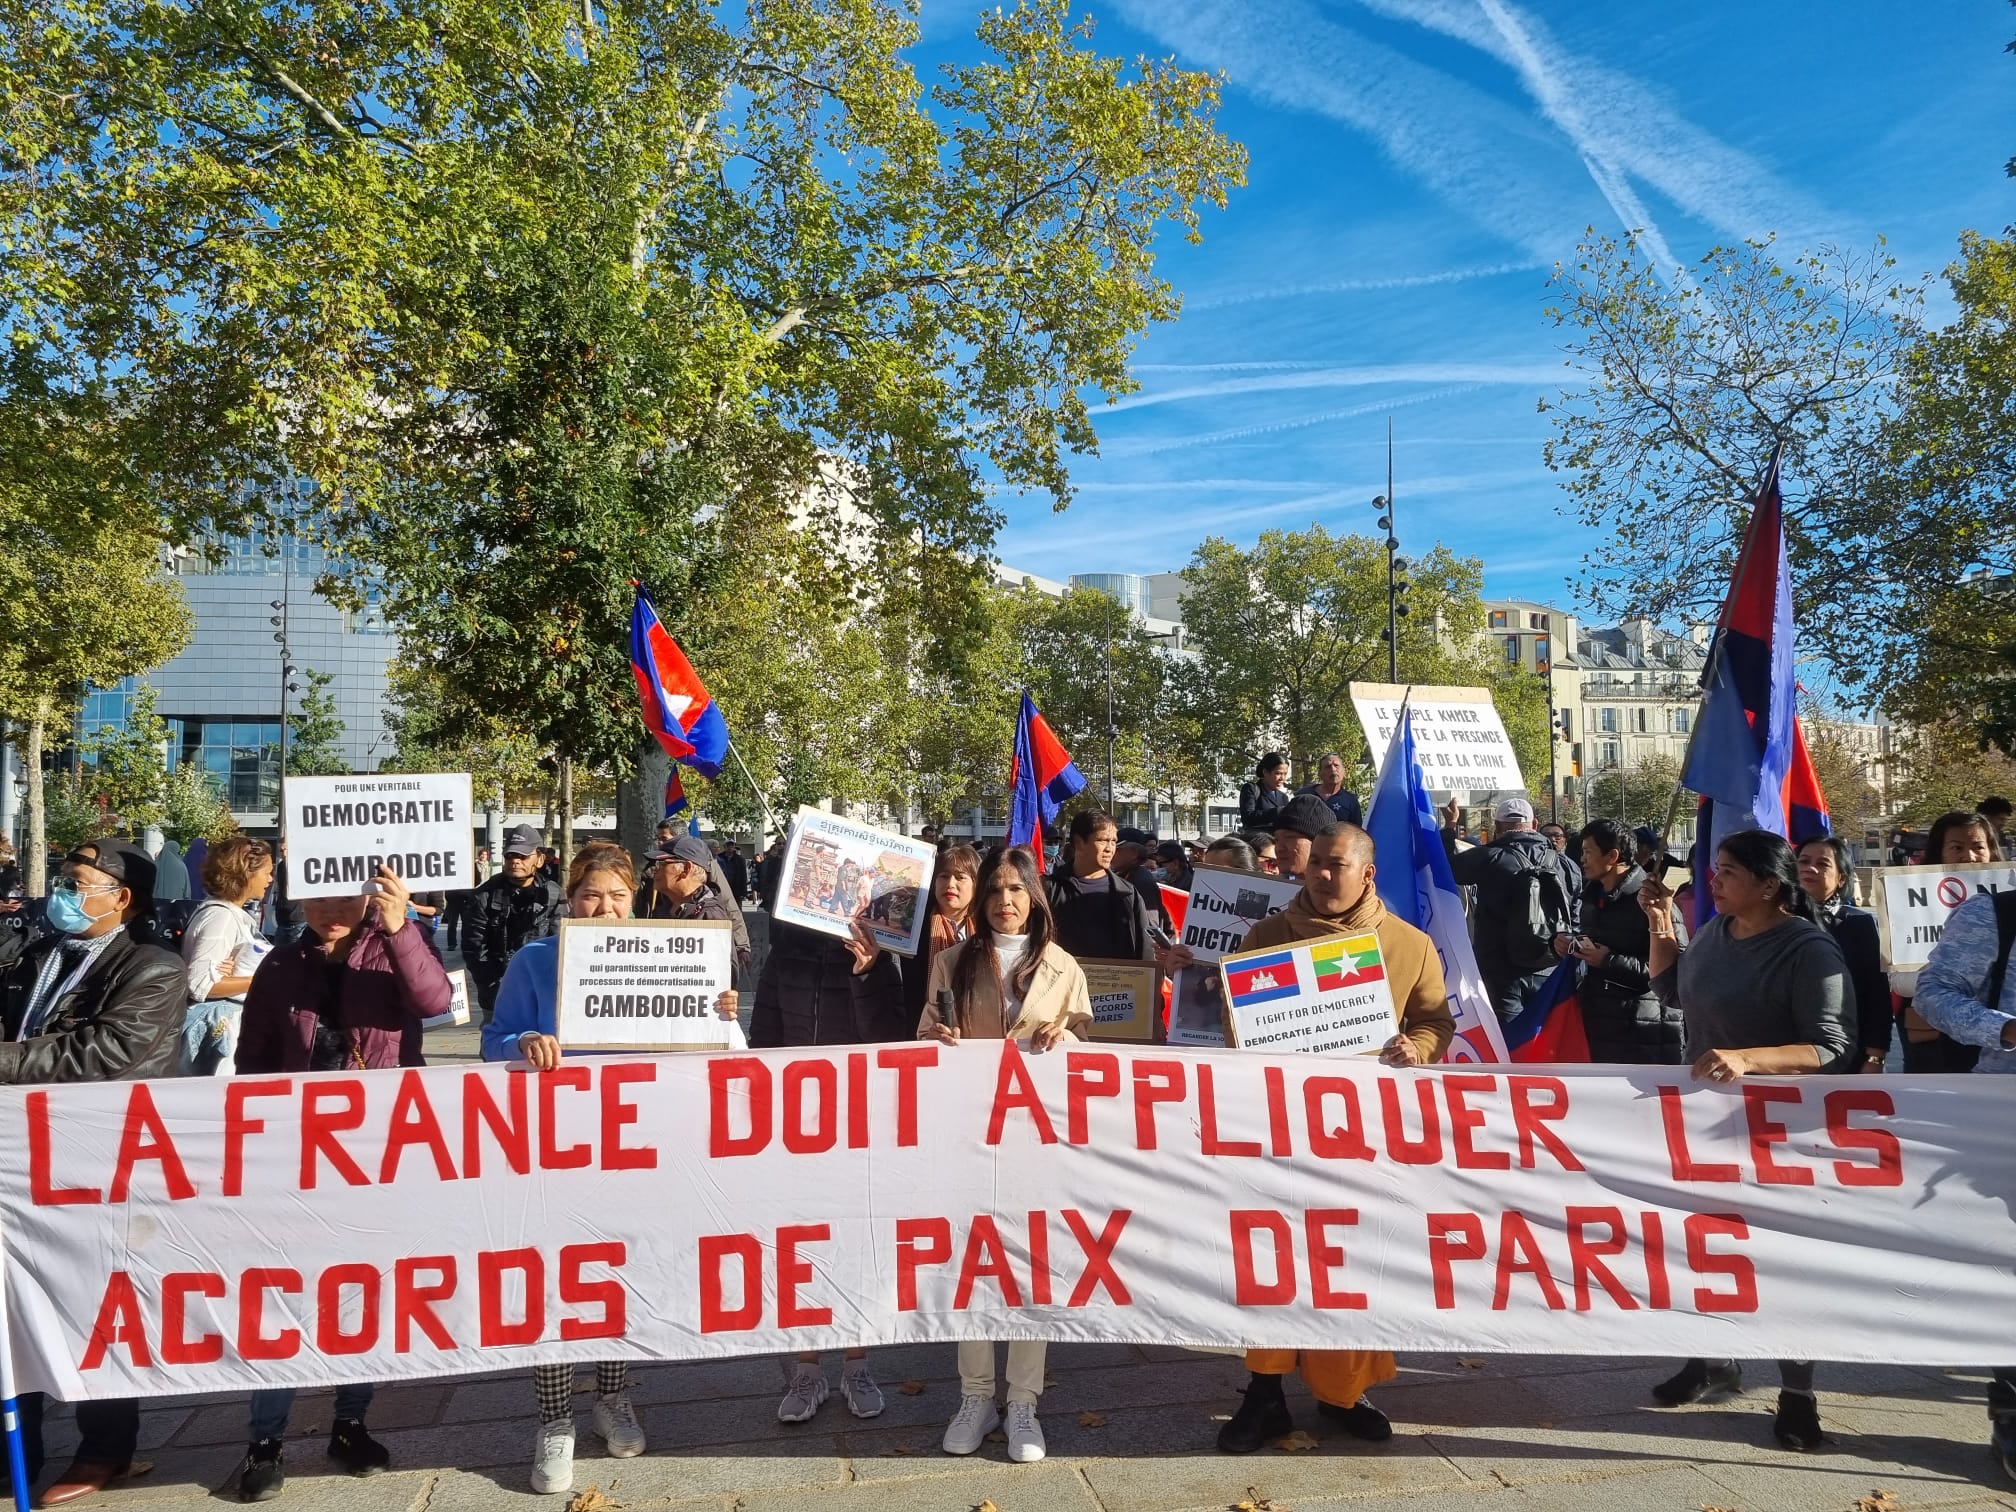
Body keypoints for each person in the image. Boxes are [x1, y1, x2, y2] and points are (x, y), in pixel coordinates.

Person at [483, 843, 738, 1493]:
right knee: (555, 1282)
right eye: (592, 895)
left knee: (618, 1274)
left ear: (637, 901)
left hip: (632, 1151)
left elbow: (705, 1052)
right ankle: (555, 1420)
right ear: (570, 900)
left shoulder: (663, 957)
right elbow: (493, 1039)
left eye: (618, 896)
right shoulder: (534, 962)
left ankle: (614, 1395)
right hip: (556, 1149)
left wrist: (721, 1017)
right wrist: (524, 1043)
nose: (605, 908)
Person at [1216, 823, 1454, 1454]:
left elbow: (1435, 1022)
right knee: (1276, 1261)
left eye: (1336, 865)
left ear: (1366, 874)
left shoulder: (1409, 946)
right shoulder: (1264, 939)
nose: (1321, 875)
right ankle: (1263, 1393)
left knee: (1348, 1262)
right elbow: (1235, 1029)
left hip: (1363, 1138)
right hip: (1281, 1132)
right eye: (1314, 864)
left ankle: (1341, 1392)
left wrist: (1418, 1048)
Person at [231, 863, 449, 1500]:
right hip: (298, 1157)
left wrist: (400, 925)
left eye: (344, 895)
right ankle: (264, 1439)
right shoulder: (278, 966)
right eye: (315, 894)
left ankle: (350, 1423)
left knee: (362, 1292)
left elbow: (434, 1001)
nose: (330, 907)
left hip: (378, 1153)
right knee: (283, 1293)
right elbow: (253, 1064)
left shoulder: (394, 950)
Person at [1638, 830, 1851, 1449]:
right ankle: (1711, 1360)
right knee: (1704, 1248)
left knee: (1780, 1263)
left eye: (1728, 871)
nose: (1714, 880)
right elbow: (1671, 991)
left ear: (1769, 884)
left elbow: (1830, 1048)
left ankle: (1798, 1391)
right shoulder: (1714, 932)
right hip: (1707, 1126)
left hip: (1780, 1132)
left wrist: (1750, 1059)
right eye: (1715, 869)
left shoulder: (1809, 950)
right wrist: (1660, 926)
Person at [752, 850, 967, 1429]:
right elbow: (763, 1044)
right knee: (798, 1246)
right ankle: (804, 1369)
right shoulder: (782, 960)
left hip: (858, 1123)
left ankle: (856, 1364)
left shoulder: (880, 959)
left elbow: (888, 1039)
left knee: (856, 1243)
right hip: (796, 1126)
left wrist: (867, 974)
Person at [0, 839, 185, 1508]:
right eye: (62, 881)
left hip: (99, 1164)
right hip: (22, 1160)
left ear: (121, 898)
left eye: (78, 884)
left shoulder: (155, 967)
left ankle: (105, 1446)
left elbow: (108, 1052)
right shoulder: (38, 952)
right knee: (11, 1303)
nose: (63, 895)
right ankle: (15, 1451)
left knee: (94, 1305)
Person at [921, 846, 1091, 1465]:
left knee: (1027, 1266)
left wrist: (1066, 1036)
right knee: (970, 1264)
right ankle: (975, 1396)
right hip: (968, 1138)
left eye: (1017, 889)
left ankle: (1023, 1400)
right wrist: (937, 1039)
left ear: (1034, 897)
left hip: (1036, 1142)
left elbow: (1092, 1054)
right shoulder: (948, 961)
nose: (1005, 901)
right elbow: (922, 1035)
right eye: (994, 889)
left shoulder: (1063, 966)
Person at [1912, 886, 2016, 1479]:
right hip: (2005, 1115)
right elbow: (1934, 993)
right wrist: (2006, 1030)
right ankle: (2010, 1405)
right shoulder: (1993, 915)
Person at [1441, 795, 1581, 1021]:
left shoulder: (1489, 858)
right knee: (1547, 1040)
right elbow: (1576, 917)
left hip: (1501, 972)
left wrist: (1450, 827)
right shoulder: (1567, 865)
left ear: (1496, 827)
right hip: (1553, 968)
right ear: (1534, 825)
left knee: (1510, 1045)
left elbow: (1442, 869)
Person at [1555, 819, 1679, 1064]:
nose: (1582, 859)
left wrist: (1609, 960)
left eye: (1588, 852)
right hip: (1597, 1023)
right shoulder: (1591, 896)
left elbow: (1674, 975)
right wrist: (1565, 944)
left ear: (1612, 856)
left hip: (1643, 1029)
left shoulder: (1653, 902)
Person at [1897, 810, 2004, 1073]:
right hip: (1935, 1036)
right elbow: (1903, 985)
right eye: (1957, 847)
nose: (1969, 856)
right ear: (1938, 852)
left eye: (1978, 847)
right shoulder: (1908, 900)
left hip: (1999, 1037)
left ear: (1992, 850)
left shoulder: (2008, 902)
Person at [178, 835, 275, 1076]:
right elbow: (200, 984)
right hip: (215, 1026)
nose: (270, 879)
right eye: (267, 872)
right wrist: (263, 981)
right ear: (246, 872)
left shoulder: (229, 914)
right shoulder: (221, 918)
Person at [1797, 834, 1890, 1074]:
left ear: (1841, 878)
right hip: (1787, 1050)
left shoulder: (1858, 923)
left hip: (1846, 1051)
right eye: (1804, 861)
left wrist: (1875, 1057)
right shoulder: (1777, 921)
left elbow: (1876, 993)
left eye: (1822, 864)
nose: (1810, 868)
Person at [463, 823, 563, 1023]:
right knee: (496, 1047)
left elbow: (559, 946)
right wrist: (496, 987)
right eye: (510, 856)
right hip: (496, 993)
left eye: (523, 856)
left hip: (542, 992)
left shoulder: (554, 894)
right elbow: (474, 950)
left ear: (541, 859)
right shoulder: (484, 895)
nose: (515, 861)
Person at [1045, 811, 1156, 964]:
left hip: (1117, 985)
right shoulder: (1049, 889)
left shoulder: (1127, 894)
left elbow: (1145, 953)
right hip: (1061, 985)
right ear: (1079, 842)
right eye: (1103, 840)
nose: (1110, 849)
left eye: (1113, 842)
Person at [1269, 793, 1336, 883]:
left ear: (1318, 844)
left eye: (1289, 837)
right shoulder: (1269, 890)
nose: (1279, 848)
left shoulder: (1341, 895)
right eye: (1276, 840)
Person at [1298, 752, 1363, 826]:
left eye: (1336, 765)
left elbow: (1356, 831)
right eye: (1328, 767)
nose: (1333, 769)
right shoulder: (1304, 795)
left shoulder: (1350, 800)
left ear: (1344, 771)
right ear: (1320, 773)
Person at [1237, 752, 1293, 833]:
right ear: (1265, 772)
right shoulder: (1251, 789)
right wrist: (1276, 812)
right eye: (1278, 773)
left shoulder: (1283, 797)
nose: (1282, 778)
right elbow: (1247, 818)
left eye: (1285, 774)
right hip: (1256, 841)